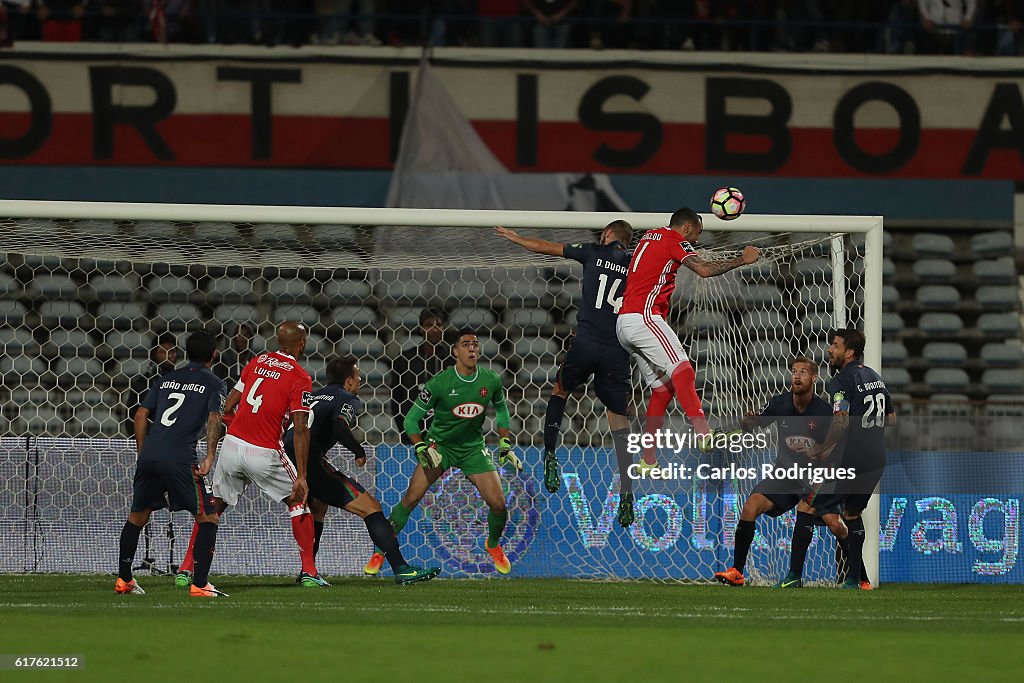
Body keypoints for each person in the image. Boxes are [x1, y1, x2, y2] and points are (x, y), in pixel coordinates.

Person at [495, 220, 638, 527]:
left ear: (607, 235)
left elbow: (548, 247)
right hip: (617, 349)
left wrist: (518, 238)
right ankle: (627, 489)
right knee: (619, 417)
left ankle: (549, 454)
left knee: (560, 391)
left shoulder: (593, 251)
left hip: (586, 343)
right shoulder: (636, 262)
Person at [177, 321, 329, 588]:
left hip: (233, 446)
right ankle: (310, 572)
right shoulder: (299, 376)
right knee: (298, 501)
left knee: (213, 508)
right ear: (302, 343)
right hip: (265, 451)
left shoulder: (257, 362)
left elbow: (229, 404)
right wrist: (302, 475)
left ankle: (186, 569)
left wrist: (240, 426)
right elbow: (302, 429)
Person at [364, 329, 521, 576]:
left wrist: (504, 443)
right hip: (440, 448)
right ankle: (381, 550)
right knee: (411, 499)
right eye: (466, 345)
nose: (472, 349)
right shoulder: (439, 383)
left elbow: (501, 410)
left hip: (472, 449)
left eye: (475, 345)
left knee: (499, 504)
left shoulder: (490, 380)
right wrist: (421, 446)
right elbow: (411, 421)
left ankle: (492, 545)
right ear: (455, 352)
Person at [616, 207, 759, 468]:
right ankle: (704, 434)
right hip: (644, 316)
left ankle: (648, 460)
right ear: (687, 227)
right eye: (697, 233)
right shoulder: (675, 240)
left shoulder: (649, 236)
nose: (695, 240)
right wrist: (742, 259)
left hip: (624, 322)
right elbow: (703, 270)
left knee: (662, 390)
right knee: (683, 371)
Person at [282, 355, 440, 584]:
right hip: (309, 460)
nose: (360, 382)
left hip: (285, 456)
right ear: (348, 381)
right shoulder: (346, 398)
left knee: (317, 507)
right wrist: (358, 450)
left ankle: (308, 572)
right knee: (371, 508)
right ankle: (402, 569)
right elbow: (339, 426)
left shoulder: (313, 395)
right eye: (358, 377)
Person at [116, 331, 227, 598]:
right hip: (180, 458)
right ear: (214, 354)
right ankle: (200, 584)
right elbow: (214, 418)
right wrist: (211, 456)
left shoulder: (166, 379)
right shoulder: (214, 383)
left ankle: (124, 580)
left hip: (151, 454)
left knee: (137, 517)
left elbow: (140, 414)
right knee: (209, 517)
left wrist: (143, 451)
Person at [712, 357, 834, 588]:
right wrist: (748, 422)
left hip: (816, 478)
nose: (797, 376)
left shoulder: (824, 411)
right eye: (794, 371)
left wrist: (822, 451)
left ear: (814, 378)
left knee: (837, 526)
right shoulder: (779, 403)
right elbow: (754, 424)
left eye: (803, 372)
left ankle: (859, 577)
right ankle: (737, 571)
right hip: (785, 475)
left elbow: (837, 445)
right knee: (750, 507)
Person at [798, 328, 895, 590]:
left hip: (850, 458)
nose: (830, 349)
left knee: (807, 506)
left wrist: (821, 448)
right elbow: (891, 418)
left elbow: (840, 422)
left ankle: (793, 577)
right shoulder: (875, 377)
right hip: (876, 457)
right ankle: (857, 579)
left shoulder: (841, 381)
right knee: (852, 515)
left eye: (835, 345)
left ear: (849, 352)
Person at [388, 308, 448, 439]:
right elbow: (396, 400)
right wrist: (405, 431)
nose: (435, 329)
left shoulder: (452, 361)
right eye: (429, 325)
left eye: (438, 325)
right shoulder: (405, 359)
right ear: (420, 328)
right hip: (414, 432)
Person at [124, 332, 177, 437]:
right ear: (153, 354)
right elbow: (131, 418)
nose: (169, 355)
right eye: (163, 351)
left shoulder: (181, 383)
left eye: (172, 351)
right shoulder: (141, 384)